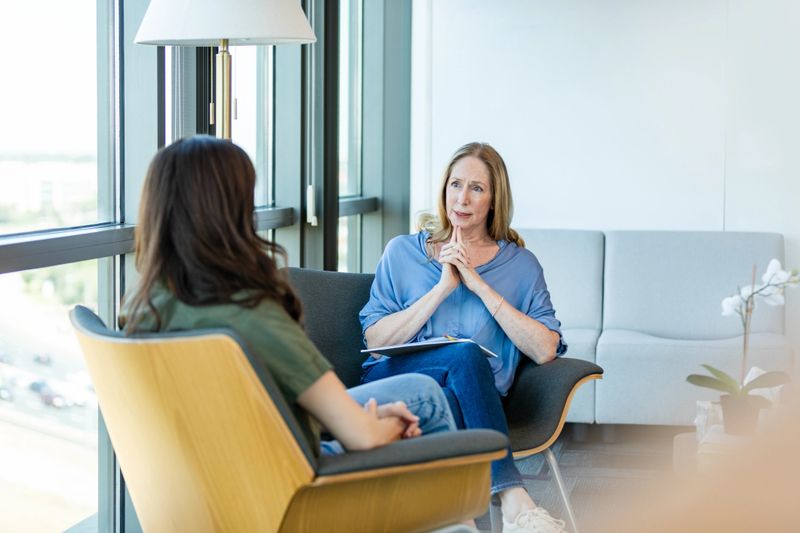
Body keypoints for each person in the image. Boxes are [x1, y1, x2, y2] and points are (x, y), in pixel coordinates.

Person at [119, 135, 456, 458]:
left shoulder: (143, 308)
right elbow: (363, 438)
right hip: (294, 488)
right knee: (424, 397)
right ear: (230, 213)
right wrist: (392, 426)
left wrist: (363, 419)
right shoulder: (249, 315)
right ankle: (458, 518)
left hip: (222, 483)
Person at [360, 142, 568, 533]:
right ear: (443, 191)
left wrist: (477, 284)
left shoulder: (521, 265)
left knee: (461, 374)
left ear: (494, 200)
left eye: (477, 188)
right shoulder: (401, 252)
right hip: (395, 387)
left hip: (473, 401)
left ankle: (458, 522)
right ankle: (513, 499)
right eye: (456, 185)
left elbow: (544, 350)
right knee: (464, 355)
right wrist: (442, 287)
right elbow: (375, 342)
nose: (463, 198)